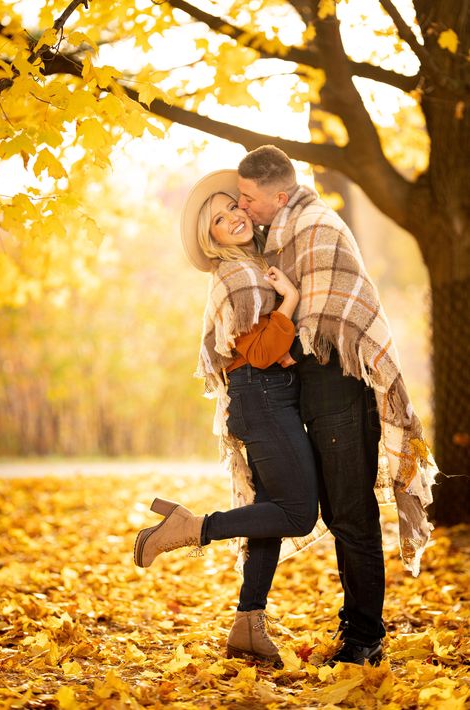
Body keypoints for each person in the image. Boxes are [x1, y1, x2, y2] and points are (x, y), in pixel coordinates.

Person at [236, 144, 438, 666]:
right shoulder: (279, 236)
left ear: (279, 195)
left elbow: (335, 314)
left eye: (248, 198)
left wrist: (281, 343)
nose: (243, 207)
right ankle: (357, 626)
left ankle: (365, 637)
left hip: (340, 386)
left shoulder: (315, 227)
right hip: (316, 386)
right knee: (335, 508)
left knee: (350, 513)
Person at [133, 170, 321, 666]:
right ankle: (189, 526)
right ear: (210, 238)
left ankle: (247, 625)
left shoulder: (254, 265)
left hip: (262, 400)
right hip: (263, 399)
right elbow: (258, 354)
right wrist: (293, 302)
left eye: (232, 207)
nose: (234, 217)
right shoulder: (237, 276)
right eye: (218, 219)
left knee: (271, 515)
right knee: (299, 514)